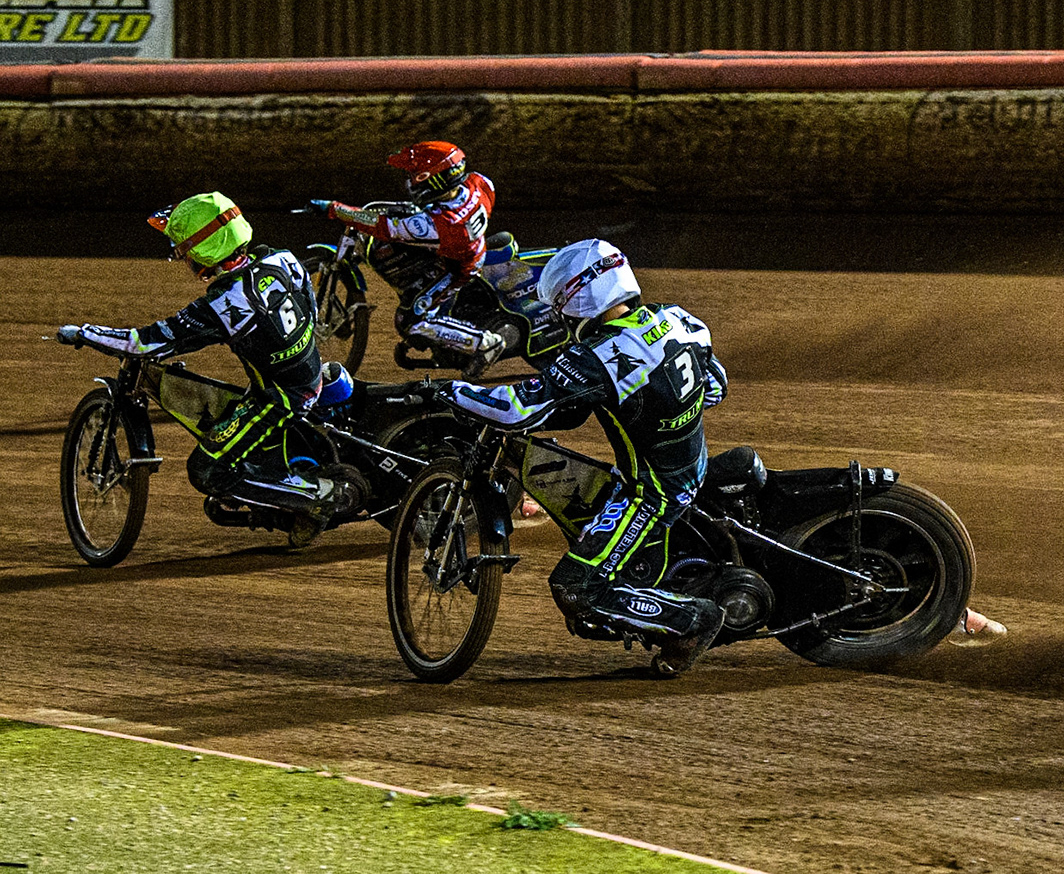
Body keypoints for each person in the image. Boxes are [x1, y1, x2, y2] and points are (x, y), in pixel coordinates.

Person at [439, 238, 729, 675]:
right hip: (691, 464)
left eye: (559, 306)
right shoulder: (679, 318)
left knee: (575, 589)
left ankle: (693, 620)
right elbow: (716, 387)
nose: (558, 317)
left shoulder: (599, 356)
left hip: (651, 491)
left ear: (578, 298)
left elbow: (520, 410)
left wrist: (451, 390)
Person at [58, 192, 364, 543]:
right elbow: (309, 309)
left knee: (207, 469)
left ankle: (321, 497)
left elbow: (148, 342)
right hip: (305, 370)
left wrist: (85, 333)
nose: (182, 258)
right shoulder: (282, 257)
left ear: (203, 252)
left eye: (184, 250)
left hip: (280, 396)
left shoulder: (225, 302)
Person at [313, 141, 505, 376]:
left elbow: (383, 227)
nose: (411, 180)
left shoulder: (441, 225)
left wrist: (335, 209)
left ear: (436, 179)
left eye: (416, 175)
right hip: (460, 247)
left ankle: (485, 343)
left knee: (409, 321)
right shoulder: (479, 183)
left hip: (454, 269)